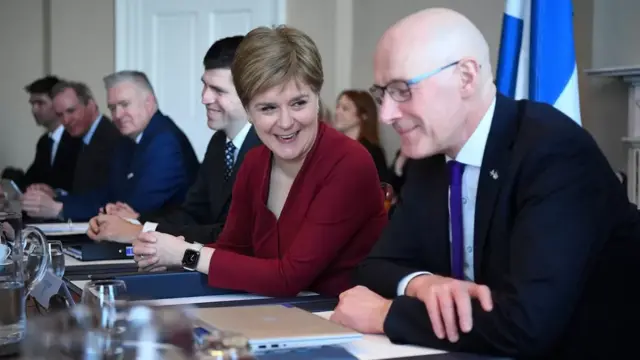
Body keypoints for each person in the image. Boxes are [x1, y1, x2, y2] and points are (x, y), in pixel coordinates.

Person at [330, 7, 640, 359]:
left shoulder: (553, 152)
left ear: (465, 77)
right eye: (382, 92)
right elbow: (376, 266)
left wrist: (385, 314)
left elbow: (525, 325)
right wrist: (422, 283)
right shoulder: (430, 159)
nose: (386, 113)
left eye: (402, 90)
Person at [131, 25, 388, 298]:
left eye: (299, 103)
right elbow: (233, 250)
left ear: (317, 98)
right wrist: (168, 252)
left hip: (347, 325)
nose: (286, 122)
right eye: (268, 108)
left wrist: (187, 255)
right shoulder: (255, 163)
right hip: (279, 315)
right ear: (248, 111)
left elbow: (289, 277)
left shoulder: (349, 162)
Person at [87, 36, 262, 244]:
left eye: (218, 90)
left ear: (250, 93)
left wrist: (139, 231)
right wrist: (135, 222)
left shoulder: (266, 147)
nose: (204, 98)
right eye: (205, 86)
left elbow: (232, 236)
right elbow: (192, 215)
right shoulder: (219, 143)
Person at [22, 71, 199, 221]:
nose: (118, 115)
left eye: (124, 104)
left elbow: (132, 209)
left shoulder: (165, 142)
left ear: (149, 102)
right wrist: (57, 202)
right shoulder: (128, 139)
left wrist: (57, 209)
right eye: (112, 108)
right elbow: (107, 194)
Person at [23, 81, 122, 201]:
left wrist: (59, 207)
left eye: (71, 111)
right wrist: (55, 194)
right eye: (60, 115)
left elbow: (105, 200)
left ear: (91, 105)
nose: (66, 120)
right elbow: (82, 193)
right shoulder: (83, 137)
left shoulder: (111, 139)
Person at [7, 76, 83, 193]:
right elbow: (31, 180)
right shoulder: (44, 142)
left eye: (40, 103)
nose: (34, 109)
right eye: (32, 104)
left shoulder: (78, 139)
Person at [334, 90, 390, 183]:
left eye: (345, 108)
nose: (337, 112)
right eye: (337, 107)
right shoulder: (334, 149)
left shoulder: (372, 153)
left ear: (363, 116)